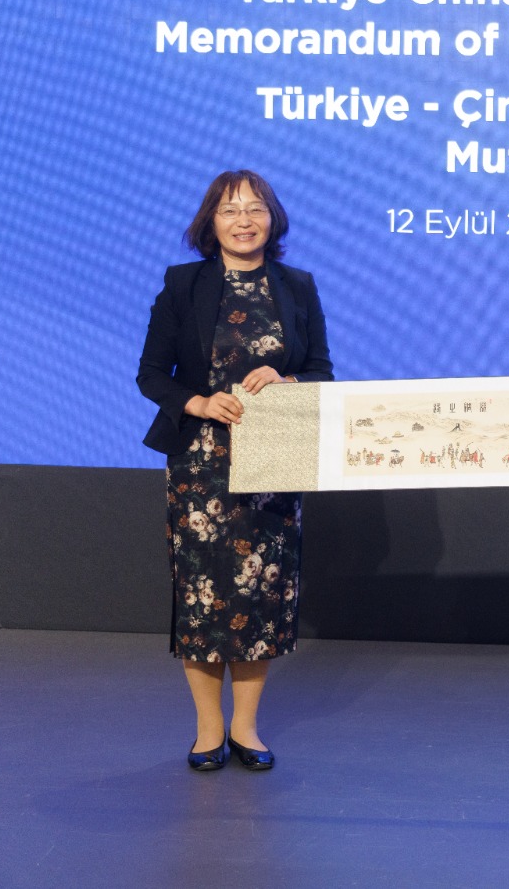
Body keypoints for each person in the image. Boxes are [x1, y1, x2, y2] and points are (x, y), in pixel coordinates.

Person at [137, 169, 333, 772]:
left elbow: (322, 370)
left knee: (260, 595)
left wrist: (288, 379)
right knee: (203, 598)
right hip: (201, 463)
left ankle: (246, 728)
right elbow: (151, 374)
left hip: (273, 462)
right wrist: (197, 402)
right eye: (230, 210)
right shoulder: (183, 284)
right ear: (210, 222)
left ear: (272, 219)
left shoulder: (297, 286)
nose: (244, 220)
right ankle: (207, 730)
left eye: (255, 209)